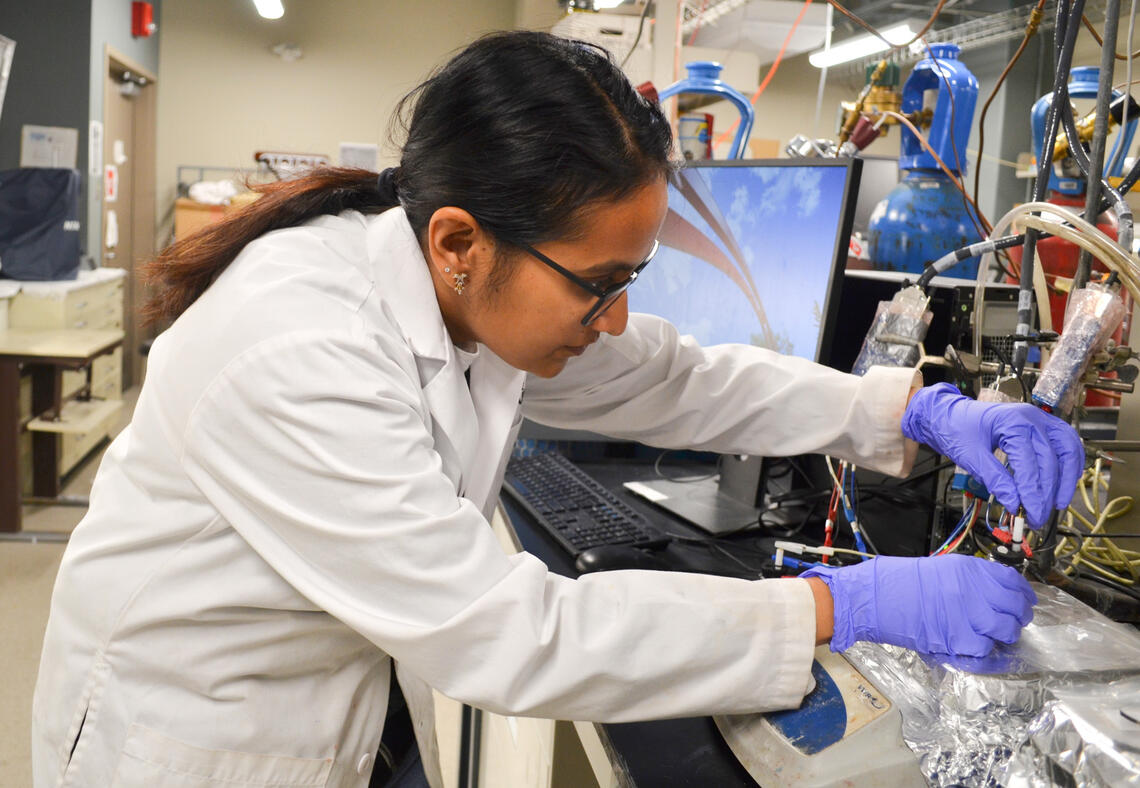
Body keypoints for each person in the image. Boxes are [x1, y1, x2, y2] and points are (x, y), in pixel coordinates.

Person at [32, 31, 1082, 788]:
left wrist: (917, 410)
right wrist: (840, 608)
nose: (619, 317)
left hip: (334, 694)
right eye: (599, 281)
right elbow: (505, 633)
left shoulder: (466, 289)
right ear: (458, 241)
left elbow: (681, 377)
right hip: (193, 736)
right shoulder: (297, 347)